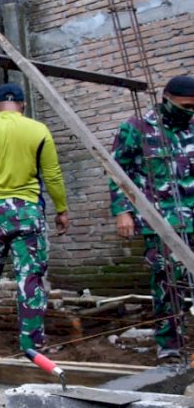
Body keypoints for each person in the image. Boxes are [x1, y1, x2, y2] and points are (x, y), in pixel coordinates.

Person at [0, 82, 70, 353]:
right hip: (29, 213)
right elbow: (52, 175)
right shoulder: (39, 130)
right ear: (23, 105)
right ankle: (31, 343)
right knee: (30, 278)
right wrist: (61, 208)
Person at [111, 75, 194, 360]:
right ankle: (170, 347)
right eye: (186, 106)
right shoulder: (136, 128)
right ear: (167, 98)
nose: (190, 112)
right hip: (162, 222)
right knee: (167, 282)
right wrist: (123, 211)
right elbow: (118, 172)